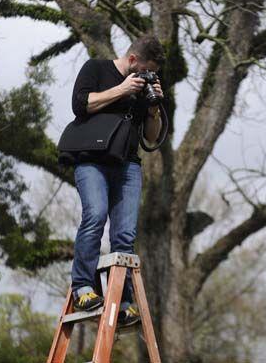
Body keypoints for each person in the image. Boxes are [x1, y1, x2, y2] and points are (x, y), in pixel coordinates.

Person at [68, 35, 165, 327]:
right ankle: (83, 289)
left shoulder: (144, 86)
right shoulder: (96, 69)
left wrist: (153, 108)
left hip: (128, 165)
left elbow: (151, 137)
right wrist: (121, 89)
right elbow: (80, 104)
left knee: (124, 236)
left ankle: (122, 303)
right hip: (91, 160)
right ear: (133, 60)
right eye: (146, 69)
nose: (147, 76)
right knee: (95, 215)